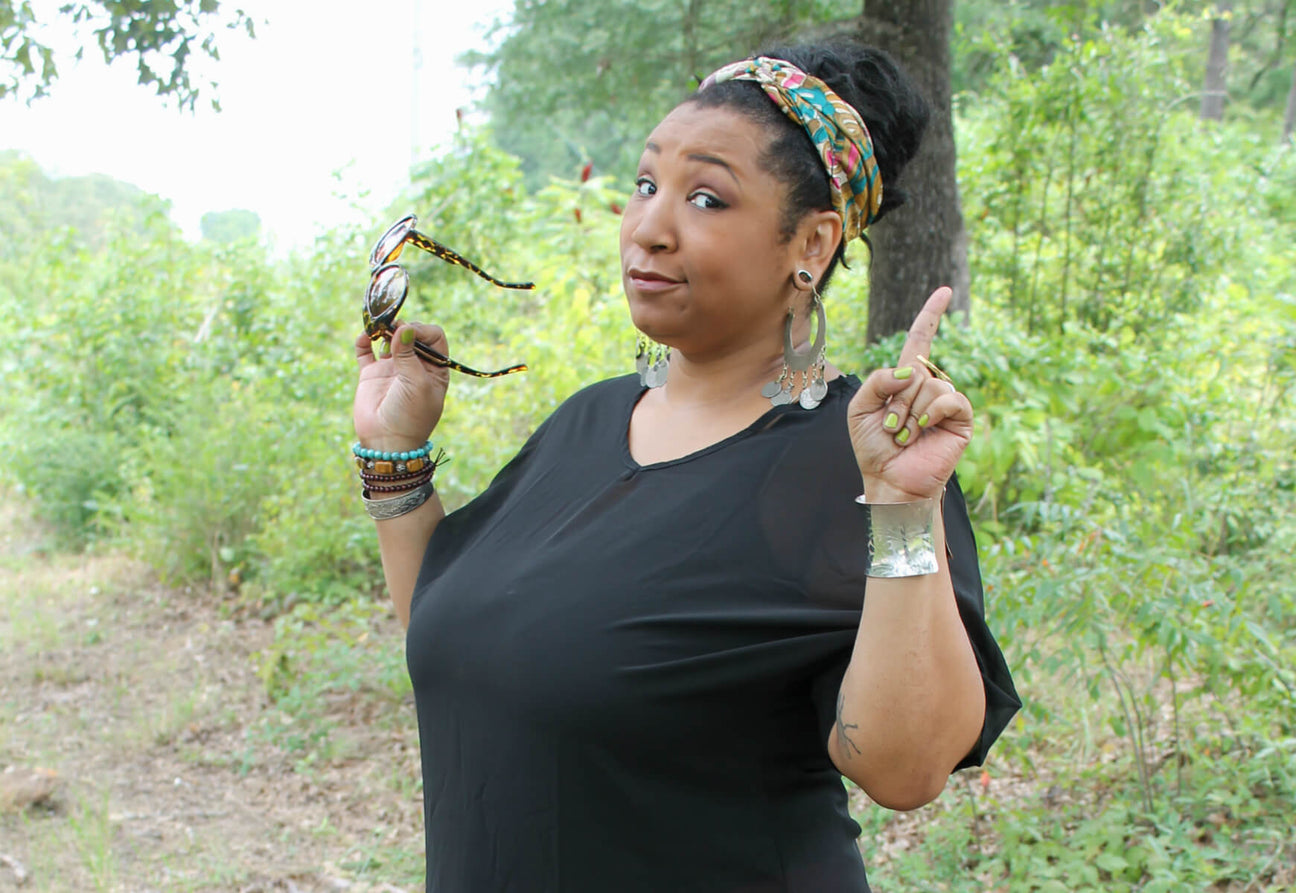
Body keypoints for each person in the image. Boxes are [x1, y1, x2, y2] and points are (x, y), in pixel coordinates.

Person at [352, 38, 1019, 893]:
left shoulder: (846, 460)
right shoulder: (589, 421)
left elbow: (906, 769)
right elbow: (451, 632)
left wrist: (895, 506)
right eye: (644, 185)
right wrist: (395, 455)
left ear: (809, 243)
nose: (649, 227)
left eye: (705, 198)